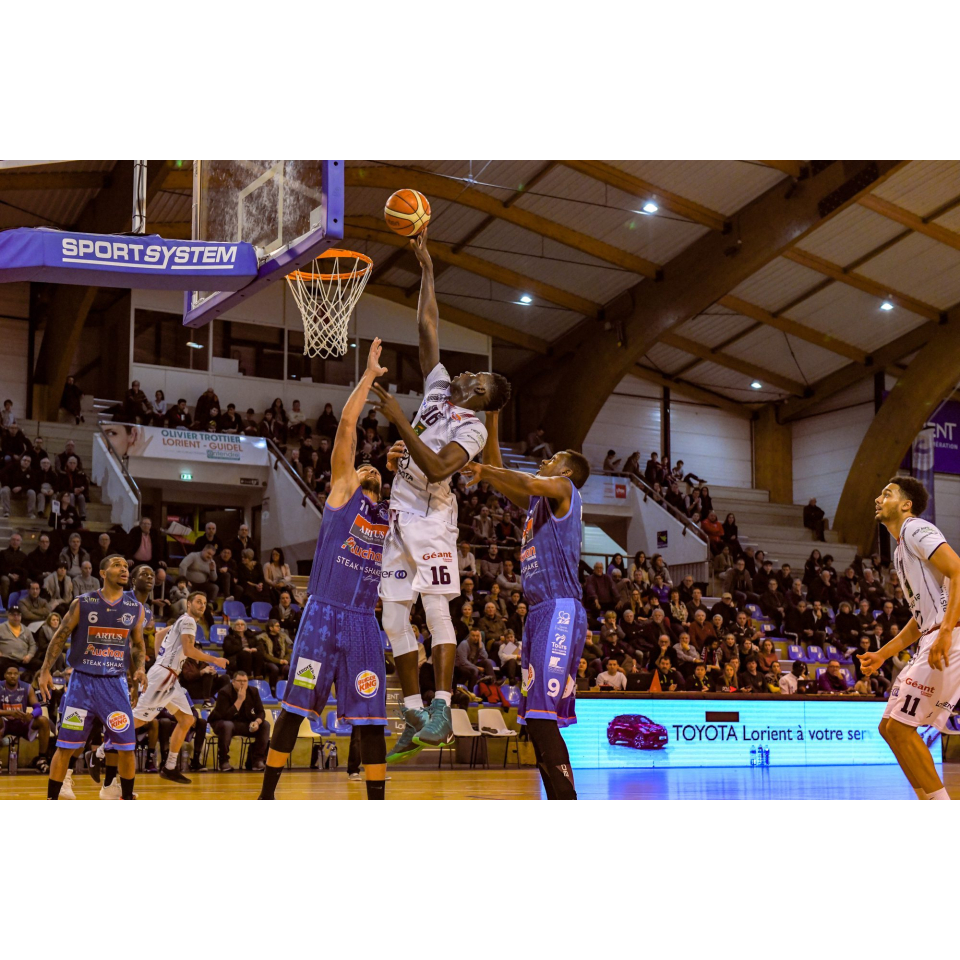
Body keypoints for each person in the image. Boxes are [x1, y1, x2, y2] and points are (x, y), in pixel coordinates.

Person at [371, 231, 511, 759]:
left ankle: (444, 710)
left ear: (482, 394)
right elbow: (427, 324)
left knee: (435, 610)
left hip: (432, 518)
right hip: (399, 515)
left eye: (479, 376)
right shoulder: (438, 386)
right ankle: (413, 713)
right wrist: (427, 266)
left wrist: (401, 427)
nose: (469, 372)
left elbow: (436, 467)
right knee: (391, 616)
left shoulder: (472, 427)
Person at [259, 339, 391, 801]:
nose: (368, 467)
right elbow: (349, 426)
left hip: (363, 622)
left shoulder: (387, 517)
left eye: (376, 469)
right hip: (324, 613)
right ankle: (266, 795)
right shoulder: (342, 492)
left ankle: (376, 802)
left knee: (372, 717)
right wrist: (370, 374)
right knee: (294, 708)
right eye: (363, 466)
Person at [461, 441, 590, 801]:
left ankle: (567, 801)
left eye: (553, 458)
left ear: (564, 472)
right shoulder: (538, 507)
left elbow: (527, 482)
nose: (544, 461)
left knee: (543, 715)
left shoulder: (565, 488)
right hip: (538, 614)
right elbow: (504, 482)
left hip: (559, 608)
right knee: (534, 717)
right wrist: (492, 421)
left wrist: (486, 471)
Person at [859, 477, 960, 800]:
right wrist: (883, 654)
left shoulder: (916, 529)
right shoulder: (902, 549)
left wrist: (945, 631)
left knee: (901, 727)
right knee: (889, 727)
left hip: (950, 636)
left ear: (906, 505)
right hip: (934, 636)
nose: (878, 498)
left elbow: (959, 570)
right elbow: (920, 621)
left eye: (886, 493)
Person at [37, 555, 147, 800]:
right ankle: (52, 799)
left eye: (125, 566)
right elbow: (60, 635)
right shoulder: (83, 603)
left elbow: (138, 645)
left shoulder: (135, 608)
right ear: (102, 572)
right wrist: (45, 669)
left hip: (114, 684)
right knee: (66, 746)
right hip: (82, 683)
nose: (123, 569)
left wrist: (139, 669)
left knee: (127, 748)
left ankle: (123, 797)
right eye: (117, 564)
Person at [130, 593, 227, 782]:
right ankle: (101, 751)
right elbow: (189, 650)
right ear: (188, 603)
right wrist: (215, 659)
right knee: (139, 720)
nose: (202, 605)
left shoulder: (181, 621)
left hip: (169, 676)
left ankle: (170, 766)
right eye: (198, 602)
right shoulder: (189, 621)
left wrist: (161, 660)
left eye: (205, 603)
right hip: (164, 675)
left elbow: (158, 634)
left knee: (187, 719)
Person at [209, 671, 269, 772]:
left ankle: (258, 760)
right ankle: (223, 761)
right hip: (222, 723)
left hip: (244, 724)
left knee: (265, 725)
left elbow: (261, 712)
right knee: (227, 725)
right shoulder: (224, 692)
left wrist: (257, 722)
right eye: (240, 681)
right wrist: (240, 700)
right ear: (233, 682)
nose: (243, 683)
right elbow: (225, 716)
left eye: (245, 681)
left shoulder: (253, 691)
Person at [0, 664, 51, 772]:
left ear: (19, 675)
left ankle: (41, 759)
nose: (13, 676)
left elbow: (38, 708)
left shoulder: (27, 687)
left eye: (15, 673)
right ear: (4, 675)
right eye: (9, 673)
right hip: (4, 723)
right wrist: (9, 713)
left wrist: (31, 715)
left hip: (21, 722)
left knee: (43, 721)